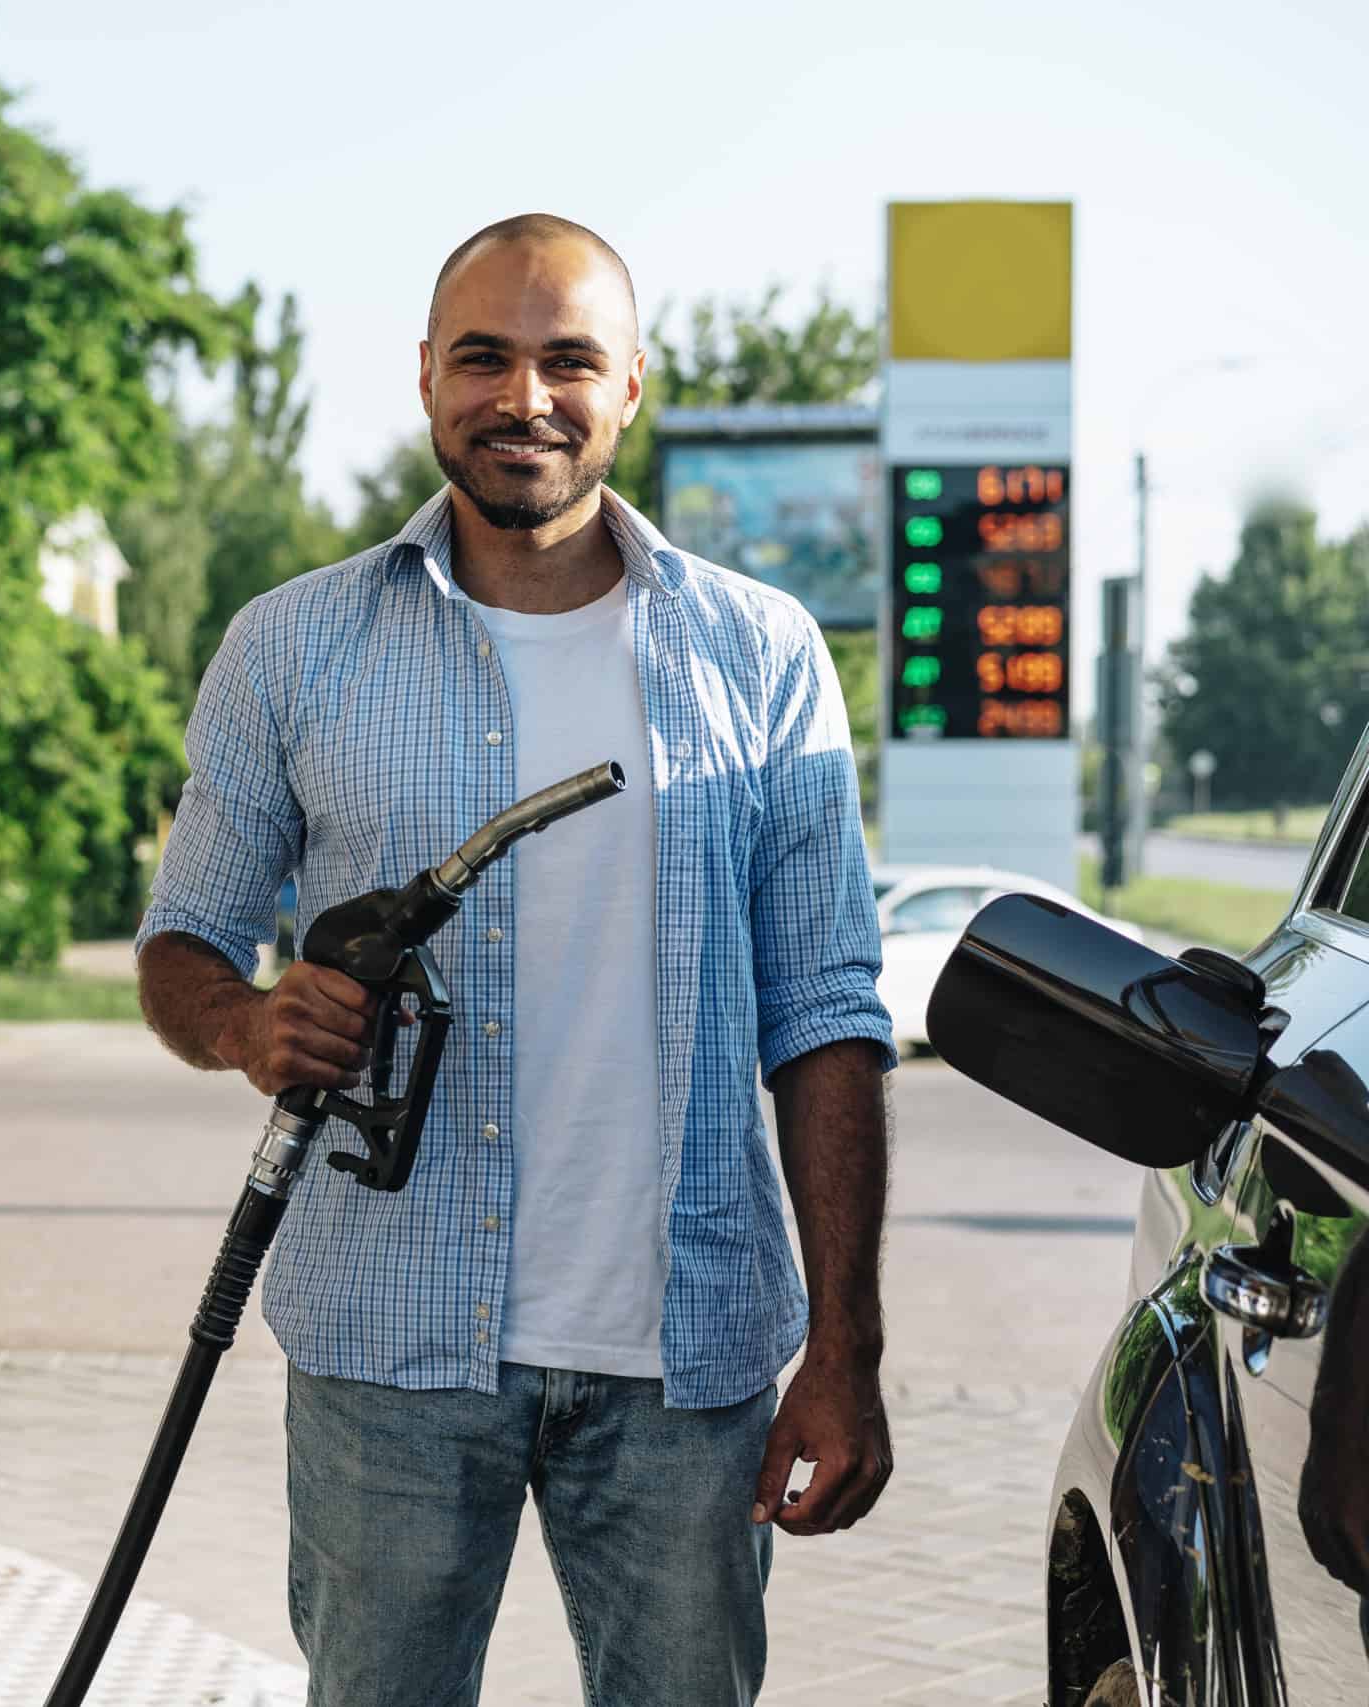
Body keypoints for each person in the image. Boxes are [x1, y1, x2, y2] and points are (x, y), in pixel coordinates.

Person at [133, 213, 897, 1706]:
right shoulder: (294, 648)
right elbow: (183, 945)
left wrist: (846, 1346)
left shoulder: (760, 655)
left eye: (568, 361)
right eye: (483, 357)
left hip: (688, 1363)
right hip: (388, 1351)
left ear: (630, 390)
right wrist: (245, 1026)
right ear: (427, 378)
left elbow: (826, 1016)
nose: (522, 397)